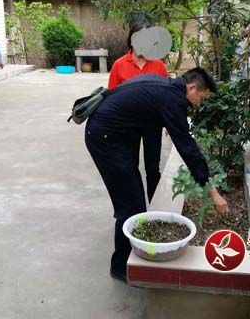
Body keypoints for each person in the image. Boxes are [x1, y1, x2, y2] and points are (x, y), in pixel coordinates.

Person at [85, 68, 229, 283]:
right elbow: (188, 149)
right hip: (105, 138)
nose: (200, 104)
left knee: (134, 199)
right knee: (130, 206)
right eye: (202, 97)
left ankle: (129, 257)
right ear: (191, 88)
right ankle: (121, 267)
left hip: (115, 135)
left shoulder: (166, 88)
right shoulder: (173, 100)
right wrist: (213, 192)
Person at [108, 23, 169, 203]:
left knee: (153, 168)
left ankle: (155, 207)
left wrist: (169, 122)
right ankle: (136, 206)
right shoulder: (119, 65)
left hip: (153, 124)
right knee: (130, 166)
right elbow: (111, 97)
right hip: (128, 125)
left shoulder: (158, 65)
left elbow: (167, 97)